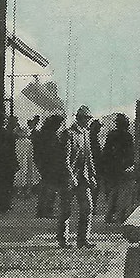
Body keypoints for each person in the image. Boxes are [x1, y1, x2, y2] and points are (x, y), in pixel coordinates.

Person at [57, 105, 97, 248]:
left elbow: (88, 156)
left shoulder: (86, 134)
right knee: (66, 210)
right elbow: (65, 159)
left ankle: (82, 240)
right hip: (69, 178)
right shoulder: (69, 134)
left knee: (87, 207)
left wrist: (92, 175)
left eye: (89, 119)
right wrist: (71, 176)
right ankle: (63, 240)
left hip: (83, 177)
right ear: (79, 119)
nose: (88, 121)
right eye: (86, 118)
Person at [99, 113, 135, 223]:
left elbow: (106, 151)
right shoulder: (127, 136)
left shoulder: (112, 135)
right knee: (121, 192)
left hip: (111, 168)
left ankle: (109, 215)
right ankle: (120, 216)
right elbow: (130, 154)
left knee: (113, 192)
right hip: (121, 168)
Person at [32, 114, 64, 218]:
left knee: (45, 188)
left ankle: (41, 210)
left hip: (44, 165)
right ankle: (48, 210)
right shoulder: (52, 136)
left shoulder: (43, 134)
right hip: (51, 165)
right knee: (51, 189)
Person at [0, 116, 19, 212]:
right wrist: (15, 162)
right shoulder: (10, 135)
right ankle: (4, 204)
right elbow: (11, 151)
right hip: (6, 163)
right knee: (6, 184)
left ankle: (1, 204)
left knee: (1, 183)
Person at [14, 116, 39, 197]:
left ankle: (27, 190)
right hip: (21, 148)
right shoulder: (19, 140)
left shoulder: (28, 141)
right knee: (22, 167)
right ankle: (21, 190)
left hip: (26, 147)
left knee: (28, 168)